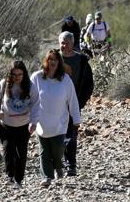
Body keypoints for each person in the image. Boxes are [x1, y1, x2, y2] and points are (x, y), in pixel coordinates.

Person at [29, 50, 81, 187]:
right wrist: (28, 118)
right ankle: (46, 177)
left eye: (55, 60)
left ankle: (59, 166)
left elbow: (72, 100)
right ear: (46, 61)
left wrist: (76, 119)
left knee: (58, 150)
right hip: (41, 122)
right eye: (50, 59)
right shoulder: (37, 77)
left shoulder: (65, 80)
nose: (53, 62)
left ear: (59, 63)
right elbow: (29, 97)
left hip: (59, 123)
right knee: (44, 151)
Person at [0, 60, 38, 188]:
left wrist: (34, 122)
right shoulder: (4, 84)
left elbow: (36, 105)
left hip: (24, 126)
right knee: (8, 151)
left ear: (24, 74)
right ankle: (10, 176)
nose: (17, 77)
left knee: (21, 154)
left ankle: (18, 180)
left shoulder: (31, 87)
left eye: (20, 74)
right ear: (10, 74)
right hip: (6, 125)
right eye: (14, 74)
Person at [58, 31, 94, 177]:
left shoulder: (81, 60)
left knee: (71, 135)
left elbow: (89, 84)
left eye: (67, 43)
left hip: (73, 104)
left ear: (73, 44)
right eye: (62, 43)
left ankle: (70, 165)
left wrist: (80, 102)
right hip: (54, 105)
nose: (64, 46)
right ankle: (56, 162)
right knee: (55, 135)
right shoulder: (54, 58)